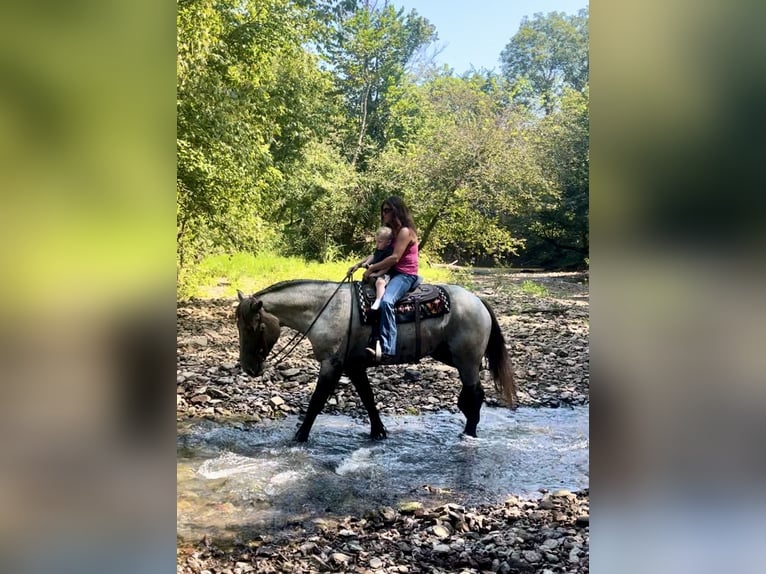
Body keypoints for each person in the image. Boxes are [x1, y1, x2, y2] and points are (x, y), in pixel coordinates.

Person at [361, 196, 419, 364]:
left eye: (387, 210)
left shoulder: (405, 232)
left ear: (397, 211)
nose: (384, 214)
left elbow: (394, 258)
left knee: (387, 301)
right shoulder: (392, 232)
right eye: (383, 210)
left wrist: (372, 268)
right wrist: (360, 265)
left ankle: (388, 349)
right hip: (392, 272)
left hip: (405, 275)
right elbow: (377, 252)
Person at [347, 226, 394, 310]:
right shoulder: (379, 249)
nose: (377, 244)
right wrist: (366, 264)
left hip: (384, 273)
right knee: (371, 256)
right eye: (376, 241)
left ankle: (378, 300)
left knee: (380, 283)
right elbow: (374, 257)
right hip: (375, 270)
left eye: (379, 242)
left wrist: (376, 274)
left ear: (388, 242)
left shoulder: (389, 252)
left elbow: (387, 266)